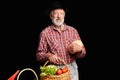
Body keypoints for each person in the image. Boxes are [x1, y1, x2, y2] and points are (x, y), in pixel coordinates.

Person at [36, 1, 86, 80]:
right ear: (51, 16)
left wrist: (79, 50)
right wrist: (49, 56)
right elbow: (39, 55)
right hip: (54, 71)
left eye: (61, 13)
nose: (59, 16)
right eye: (56, 13)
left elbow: (83, 52)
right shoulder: (45, 33)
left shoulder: (73, 31)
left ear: (64, 15)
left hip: (71, 68)